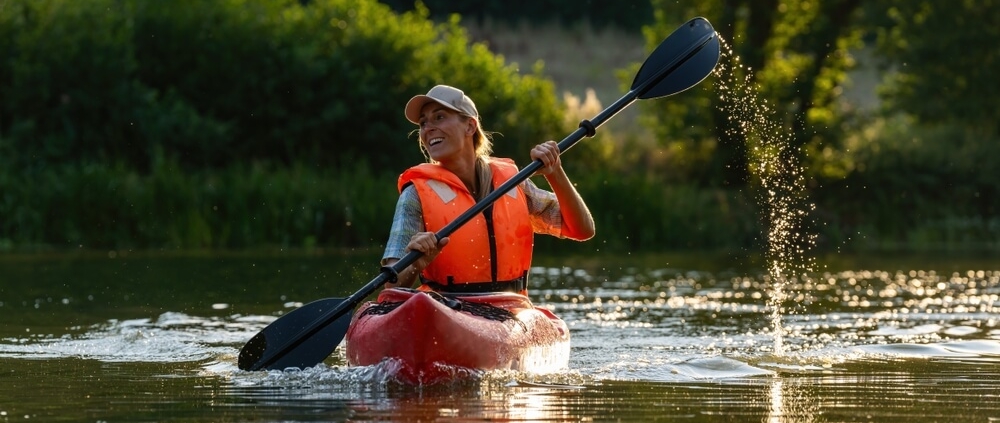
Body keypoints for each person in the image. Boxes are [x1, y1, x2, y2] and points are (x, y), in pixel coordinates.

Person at [382, 85, 595, 295]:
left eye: (439, 117)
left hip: (511, 307)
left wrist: (555, 173)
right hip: (446, 307)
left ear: (470, 126)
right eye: (423, 123)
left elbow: (582, 229)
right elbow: (392, 287)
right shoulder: (416, 193)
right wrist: (416, 263)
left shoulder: (512, 181)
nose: (427, 128)